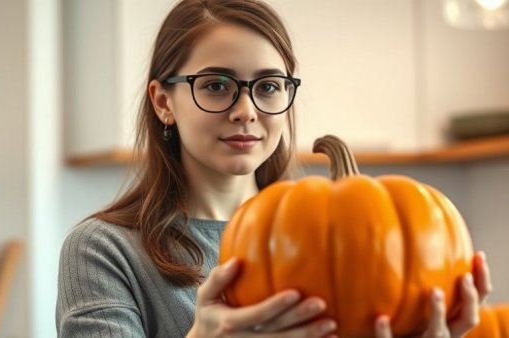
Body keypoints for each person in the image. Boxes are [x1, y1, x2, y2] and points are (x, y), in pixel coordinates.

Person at [56, 0, 493, 337]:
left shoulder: (337, 235)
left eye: (267, 87)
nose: (246, 111)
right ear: (163, 101)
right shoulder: (103, 251)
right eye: (216, 85)